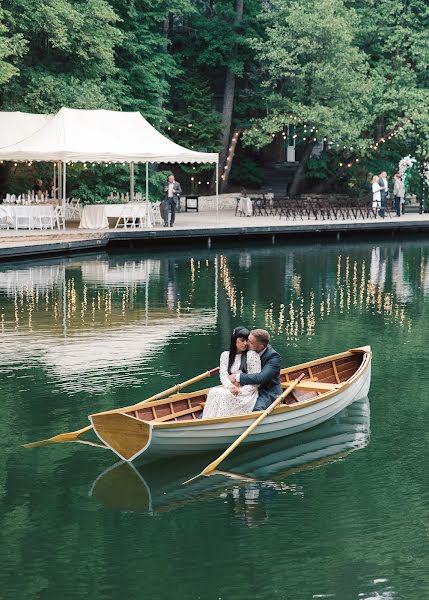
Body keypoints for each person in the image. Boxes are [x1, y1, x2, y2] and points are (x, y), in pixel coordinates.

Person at [202, 326, 261, 419]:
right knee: (213, 392)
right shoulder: (225, 355)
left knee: (223, 394)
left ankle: (220, 421)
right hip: (231, 389)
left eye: (247, 341)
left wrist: (241, 390)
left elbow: (256, 381)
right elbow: (223, 376)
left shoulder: (252, 355)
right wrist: (230, 387)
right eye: (242, 340)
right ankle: (208, 420)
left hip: (247, 393)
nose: (245, 343)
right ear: (234, 340)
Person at [229, 328, 282, 412]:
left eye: (250, 342)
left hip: (266, 392)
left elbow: (261, 378)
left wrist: (237, 377)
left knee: (255, 409)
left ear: (260, 347)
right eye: (247, 340)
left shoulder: (273, 358)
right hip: (248, 388)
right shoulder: (249, 349)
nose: (246, 343)